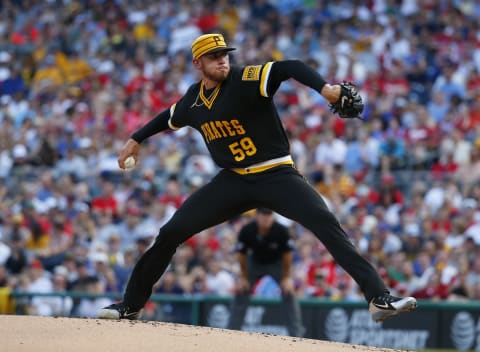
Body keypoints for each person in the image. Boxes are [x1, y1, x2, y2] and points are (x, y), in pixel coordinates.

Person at [98, 33, 417, 322]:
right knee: (170, 232)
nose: (222, 59)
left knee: (325, 223)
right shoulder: (194, 100)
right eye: (214, 56)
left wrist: (327, 89)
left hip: (276, 173)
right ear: (198, 63)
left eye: (224, 53)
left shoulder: (245, 78)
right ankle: (131, 304)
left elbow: (289, 66)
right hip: (233, 181)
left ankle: (378, 298)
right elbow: (167, 117)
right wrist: (136, 138)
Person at [227, 208, 304, 337]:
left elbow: (287, 255)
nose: (267, 217)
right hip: (255, 263)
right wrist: (243, 277)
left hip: (276, 263)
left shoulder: (281, 230)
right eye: (264, 214)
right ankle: (231, 331)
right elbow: (242, 254)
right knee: (241, 290)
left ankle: (297, 334)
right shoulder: (248, 230)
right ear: (257, 215)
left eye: (270, 214)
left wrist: (286, 277)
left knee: (289, 291)